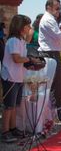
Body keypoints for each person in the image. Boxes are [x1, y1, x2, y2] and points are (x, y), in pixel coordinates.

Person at [0, 15, 39, 143]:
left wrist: (31, 63)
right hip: (10, 77)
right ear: (21, 27)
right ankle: (5, 131)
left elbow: (21, 59)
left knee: (15, 105)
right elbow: (16, 59)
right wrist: (30, 59)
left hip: (18, 77)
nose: (30, 28)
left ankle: (13, 128)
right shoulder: (13, 41)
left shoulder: (21, 41)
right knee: (8, 107)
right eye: (28, 26)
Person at [38, 0, 61, 122]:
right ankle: (54, 114)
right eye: (57, 8)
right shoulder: (48, 19)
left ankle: (55, 113)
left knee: (56, 84)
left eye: (60, 8)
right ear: (49, 8)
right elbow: (58, 36)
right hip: (49, 53)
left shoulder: (50, 19)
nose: (59, 11)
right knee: (55, 84)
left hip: (53, 52)